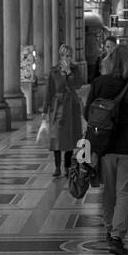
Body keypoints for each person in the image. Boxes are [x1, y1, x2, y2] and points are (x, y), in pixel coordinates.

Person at [85, 44, 128, 255]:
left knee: (108, 191)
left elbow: (88, 113)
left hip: (104, 148)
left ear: (109, 61)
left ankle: (109, 228)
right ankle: (116, 236)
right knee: (124, 193)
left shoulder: (98, 84)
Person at [42, 43, 85, 178]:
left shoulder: (75, 69)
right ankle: (56, 167)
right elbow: (49, 91)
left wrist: (69, 73)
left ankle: (67, 166)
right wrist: (45, 110)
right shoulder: (53, 71)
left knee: (69, 137)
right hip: (58, 106)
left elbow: (78, 84)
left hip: (71, 106)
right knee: (56, 137)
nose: (67, 58)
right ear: (60, 56)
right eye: (65, 55)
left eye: (69, 56)